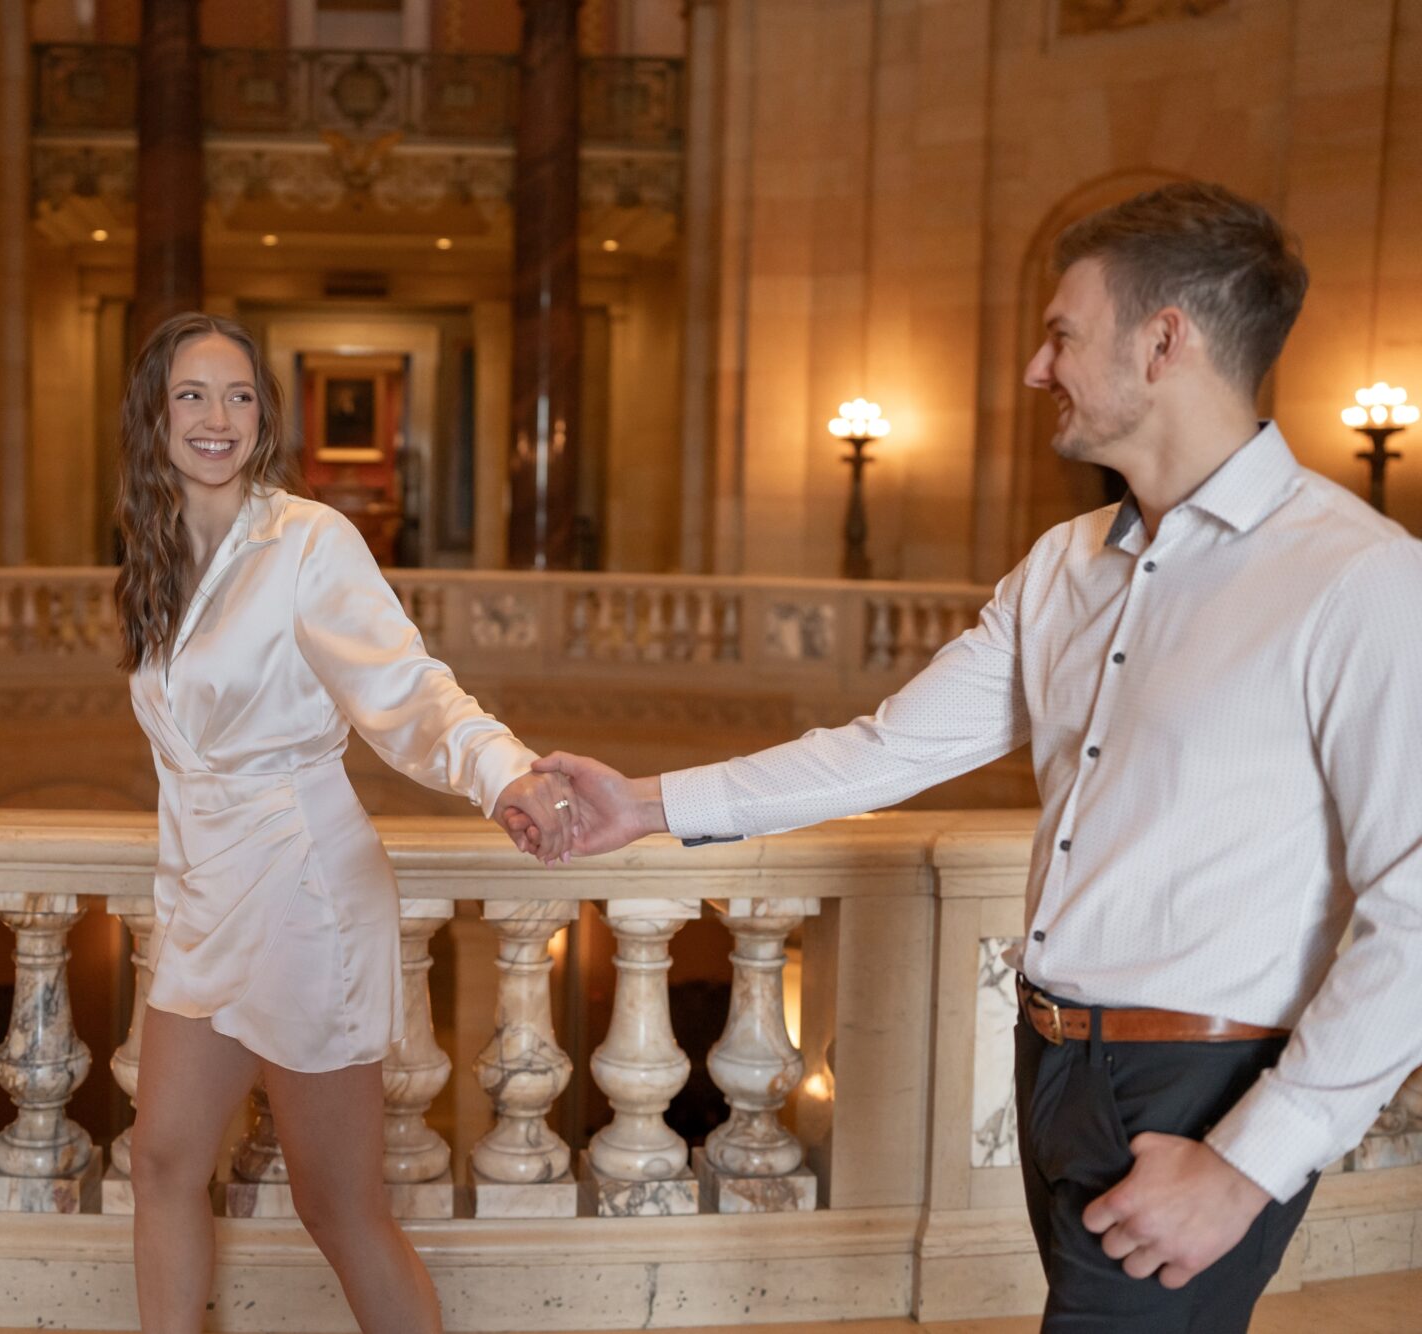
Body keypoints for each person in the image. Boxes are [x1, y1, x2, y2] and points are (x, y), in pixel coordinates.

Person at [513, 182, 1422, 1331]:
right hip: (1051, 1065)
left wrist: (1250, 1161)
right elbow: (885, 750)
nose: (1037, 369)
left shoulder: (1356, 577)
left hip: (1198, 1088)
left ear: (1162, 340)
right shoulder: (1062, 565)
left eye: (1060, 335)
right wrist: (640, 802)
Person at [115, 311, 576, 1334]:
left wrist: (501, 770)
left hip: (302, 889)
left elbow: (408, 689)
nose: (216, 416)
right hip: (204, 899)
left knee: (338, 1201)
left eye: (238, 395)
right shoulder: (153, 557)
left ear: (263, 416)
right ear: (151, 414)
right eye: (190, 394)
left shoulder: (308, 541)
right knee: (158, 1162)